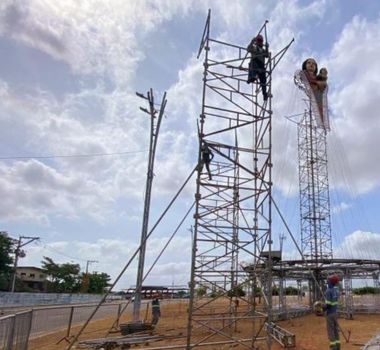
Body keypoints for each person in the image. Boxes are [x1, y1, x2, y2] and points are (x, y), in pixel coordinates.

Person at [246, 34, 269, 100]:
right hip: (255, 62)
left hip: (261, 65)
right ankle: (252, 77)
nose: (260, 42)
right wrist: (252, 42)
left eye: (261, 41)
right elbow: (248, 49)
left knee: (263, 81)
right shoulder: (254, 47)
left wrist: (267, 47)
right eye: (258, 40)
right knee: (252, 64)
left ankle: (264, 94)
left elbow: (267, 55)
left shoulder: (263, 50)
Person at [324, 275, 340, 350]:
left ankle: (333, 347)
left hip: (330, 314)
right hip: (335, 313)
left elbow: (328, 305)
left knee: (331, 331)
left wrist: (322, 308)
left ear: (330, 282)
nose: (327, 281)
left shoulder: (328, 291)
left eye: (328, 280)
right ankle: (338, 346)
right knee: (336, 330)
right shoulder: (335, 290)